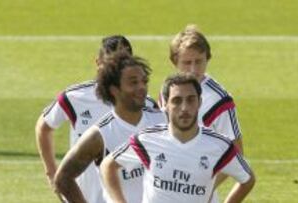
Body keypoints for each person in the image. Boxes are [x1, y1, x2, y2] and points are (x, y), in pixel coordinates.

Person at [35, 35, 158, 203]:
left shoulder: (148, 106)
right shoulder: (75, 97)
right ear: (98, 62)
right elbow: (44, 126)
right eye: (111, 64)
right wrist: (51, 172)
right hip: (86, 196)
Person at [101, 73, 255, 203]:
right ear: (165, 105)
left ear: (199, 102)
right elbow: (108, 166)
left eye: (190, 99)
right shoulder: (147, 140)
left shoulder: (220, 146)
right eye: (176, 101)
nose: (184, 108)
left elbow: (247, 180)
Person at [158, 25, 243, 152]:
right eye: (187, 63)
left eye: (198, 61)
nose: (193, 69)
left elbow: (236, 150)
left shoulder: (219, 100)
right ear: (175, 62)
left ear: (207, 58)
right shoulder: (169, 88)